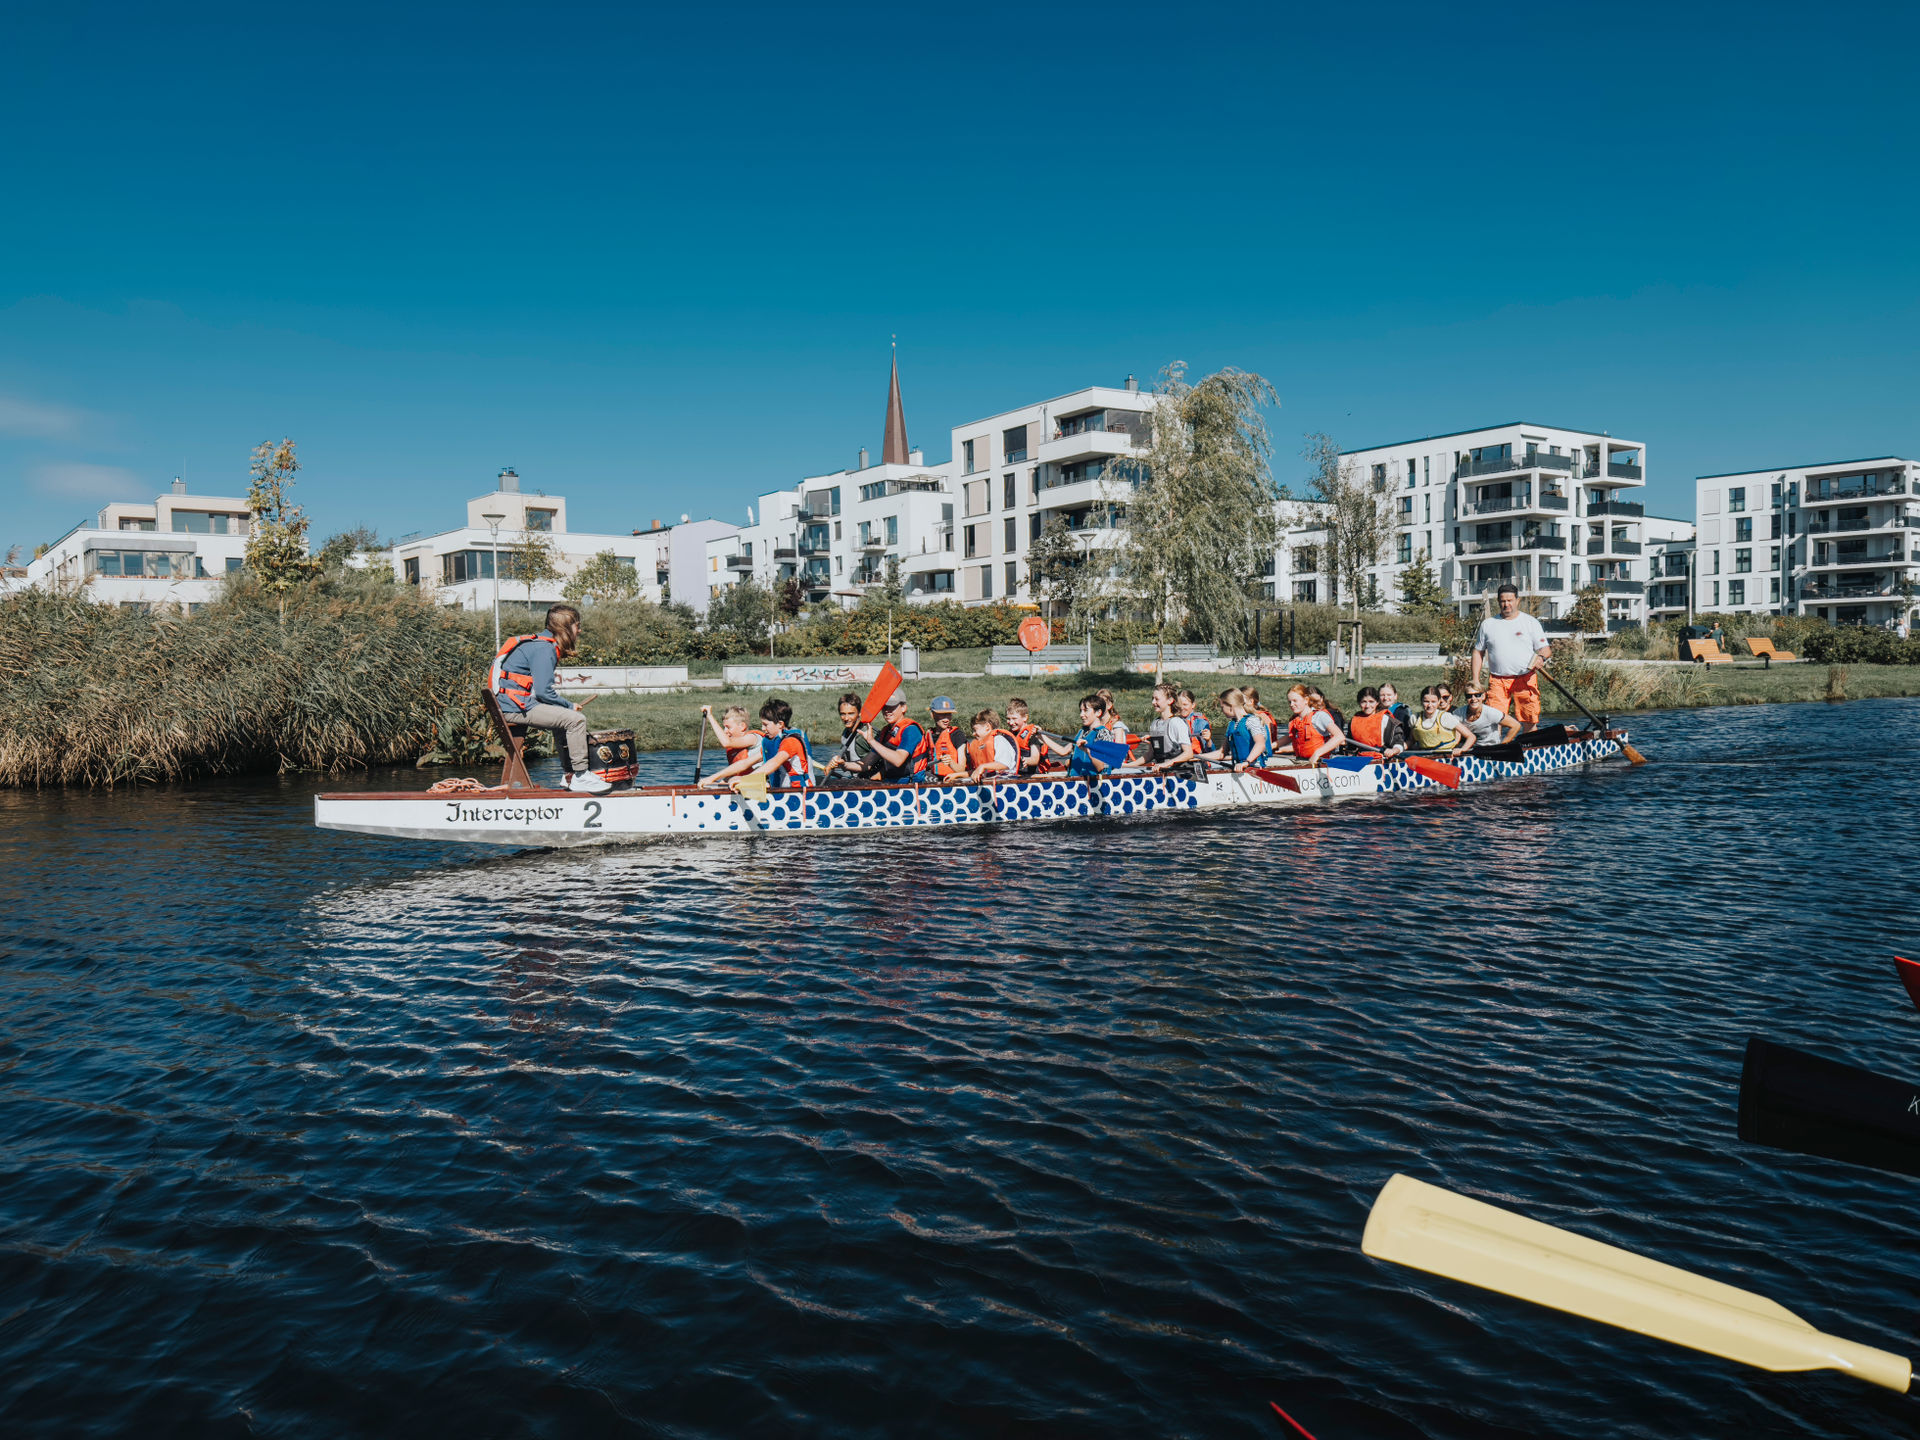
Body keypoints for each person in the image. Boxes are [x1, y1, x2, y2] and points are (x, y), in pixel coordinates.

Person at [490, 603, 606, 793]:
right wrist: (569, 705)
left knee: (563, 721)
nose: (579, 630)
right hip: (515, 709)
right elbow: (544, 692)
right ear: (565, 628)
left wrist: (564, 707)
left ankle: (569, 776)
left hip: (510, 706)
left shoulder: (538, 644)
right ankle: (581, 775)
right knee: (576, 720)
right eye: (577, 626)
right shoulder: (545, 649)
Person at [1470, 583, 1552, 733]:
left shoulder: (1530, 622)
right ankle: (1497, 745)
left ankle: (1530, 745)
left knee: (1529, 718)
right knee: (1494, 721)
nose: (1506, 604)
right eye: (1503, 601)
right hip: (1498, 680)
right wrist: (1475, 679)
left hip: (1525, 678)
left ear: (1517, 601)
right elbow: (1478, 652)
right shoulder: (1488, 624)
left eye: (1510, 600)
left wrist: (1541, 658)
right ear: (1498, 602)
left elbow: (1545, 649)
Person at [733, 698, 812, 791]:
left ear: (780, 724)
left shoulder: (791, 741)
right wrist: (717, 777)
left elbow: (775, 762)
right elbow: (745, 763)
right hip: (783, 790)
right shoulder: (774, 741)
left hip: (801, 792)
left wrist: (745, 779)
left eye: (765, 725)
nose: (762, 728)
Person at [862, 695, 934, 784]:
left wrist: (871, 741)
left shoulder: (911, 730)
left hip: (911, 784)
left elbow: (898, 760)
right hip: (891, 782)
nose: (887, 711)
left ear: (903, 708)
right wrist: (846, 764)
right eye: (884, 707)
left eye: (892, 707)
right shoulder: (886, 732)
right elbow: (866, 764)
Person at [820, 692, 880, 785]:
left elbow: (870, 764)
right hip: (857, 781)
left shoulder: (863, 735)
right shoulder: (846, 733)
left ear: (859, 713)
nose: (846, 718)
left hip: (873, 783)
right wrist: (832, 764)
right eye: (843, 714)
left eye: (851, 713)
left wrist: (843, 765)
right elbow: (845, 756)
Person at [1204, 687, 1270, 772]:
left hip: (1254, 768)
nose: (1222, 711)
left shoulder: (1251, 721)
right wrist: (1196, 756)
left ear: (1231, 706)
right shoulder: (1232, 724)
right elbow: (1221, 753)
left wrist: (1247, 762)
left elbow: (1260, 744)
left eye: (1222, 707)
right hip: (1239, 768)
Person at [1145, 683, 1201, 777]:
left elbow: (1188, 753)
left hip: (1179, 772)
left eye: (1157, 699)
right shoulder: (1154, 723)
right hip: (1161, 769)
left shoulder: (1176, 723)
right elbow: (1150, 754)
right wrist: (1126, 765)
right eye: (1152, 698)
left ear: (1170, 700)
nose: (1153, 702)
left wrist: (1166, 764)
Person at [1284, 683, 1343, 765]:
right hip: (1301, 762)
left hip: (1320, 763)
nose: (1291, 705)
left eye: (1295, 701)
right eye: (1289, 702)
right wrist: (1271, 746)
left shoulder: (1319, 716)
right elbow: (1290, 737)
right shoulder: (1295, 720)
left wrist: (1317, 753)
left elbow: (1340, 737)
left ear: (1306, 700)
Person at [1408, 684, 1472, 754]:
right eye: (1426, 701)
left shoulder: (1446, 717)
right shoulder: (1415, 718)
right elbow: (1411, 741)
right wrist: (1400, 748)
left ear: (1438, 702)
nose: (1430, 705)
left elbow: (1471, 736)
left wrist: (1462, 750)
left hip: (1446, 756)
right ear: (1421, 701)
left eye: (1433, 702)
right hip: (1424, 755)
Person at [1347, 685, 1406, 761]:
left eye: (1371, 702)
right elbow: (1351, 748)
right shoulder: (1354, 720)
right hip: (1360, 760)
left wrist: (1393, 750)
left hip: (1382, 759)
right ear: (1359, 703)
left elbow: (1399, 742)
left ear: (1377, 702)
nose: (1367, 706)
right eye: (1364, 702)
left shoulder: (1386, 719)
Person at [964, 708, 1019, 781]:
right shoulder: (980, 745)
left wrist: (982, 766)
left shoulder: (999, 740)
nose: (973, 734)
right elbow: (977, 770)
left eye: (975, 730)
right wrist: (957, 775)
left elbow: (1004, 764)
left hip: (1006, 779)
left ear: (987, 727)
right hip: (990, 779)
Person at [1456, 686, 1522, 747]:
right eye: (1469, 696)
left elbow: (1516, 725)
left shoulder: (1491, 712)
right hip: (1469, 748)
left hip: (1490, 748)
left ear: (1483, 696)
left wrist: (1502, 746)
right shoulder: (1458, 713)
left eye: (1477, 695)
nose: (1473, 698)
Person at [927, 696, 966, 780]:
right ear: (932, 715)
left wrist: (950, 762)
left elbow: (962, 769)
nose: (946, 719)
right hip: (933, 780)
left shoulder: (957, 735)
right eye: (942, 715)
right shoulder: (927, 736)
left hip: (953, 780)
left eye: (949, 714)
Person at [1005, 698, 1046, 774]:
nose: (1011, 722)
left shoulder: (1033, 735)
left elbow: (1035, 759)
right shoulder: (1009, 734)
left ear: (1025, 718)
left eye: (1014, 718)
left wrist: (1024, 760)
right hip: (1016, 772)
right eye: (1008, 719)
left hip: (1034, 774)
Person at [1176, 688, 1212, 762]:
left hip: (1198, 760)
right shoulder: (1174, 721)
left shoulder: (1200, 722)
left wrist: (1208, 741)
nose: (1182, 708)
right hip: (1179, 760)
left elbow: (1211, 751)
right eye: (1179, 705)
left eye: (1185, 704)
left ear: (1193, 705)